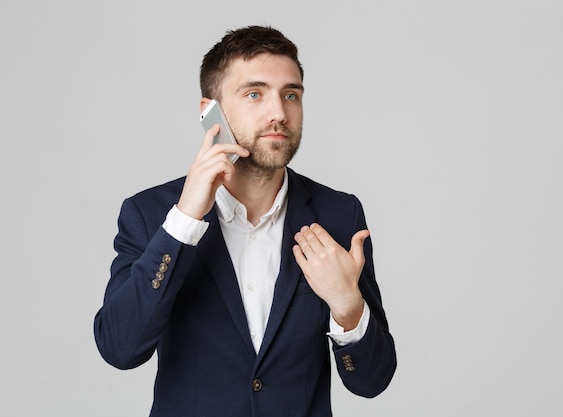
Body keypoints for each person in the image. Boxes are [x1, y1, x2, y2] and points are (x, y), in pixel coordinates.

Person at [94, 25, 396, 417]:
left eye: (291, 95)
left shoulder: (339, 214)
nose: (278, 113)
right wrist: (184, 221)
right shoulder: (150, 214)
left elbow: (372, 381)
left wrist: (347, 307)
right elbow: (120, 348)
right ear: (210, 112)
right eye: (255, 94)